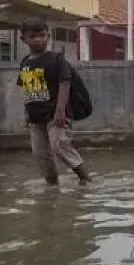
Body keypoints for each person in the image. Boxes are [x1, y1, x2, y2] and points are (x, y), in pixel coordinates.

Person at [16, 19, 91, 186]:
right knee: (40, 154)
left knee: (59, 145)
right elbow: (28, 88)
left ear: (48, 37)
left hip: (54, 113)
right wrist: (26, 113)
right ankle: (52, 186)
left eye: (42, 35)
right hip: (36, 117)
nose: (38, 39)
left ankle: (85, 179)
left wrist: (60, 110)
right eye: (32, 36)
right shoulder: (25, 62)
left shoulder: (56, 59)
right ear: (23, 39)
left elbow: (65, 82)